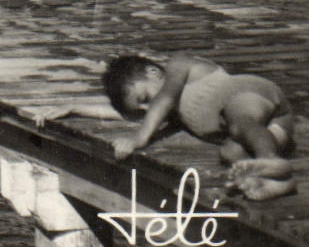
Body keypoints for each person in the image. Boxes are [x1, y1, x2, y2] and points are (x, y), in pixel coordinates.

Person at [91, 55, 295, 201]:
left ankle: (271, 160)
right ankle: (277, 182)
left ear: (152, 72)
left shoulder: (179, 65)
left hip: (249, 93)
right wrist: (72, 107)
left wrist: (138, 139)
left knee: (241, 123)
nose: (147, 108)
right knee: (231, 152)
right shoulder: (169, 111)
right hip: (274, 128)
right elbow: (128, 114)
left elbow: (164, 99)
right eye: (141, 108)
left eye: (144, 99)